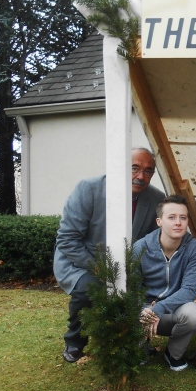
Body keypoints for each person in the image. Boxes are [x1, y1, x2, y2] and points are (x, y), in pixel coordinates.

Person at [54, 147, 164, 363]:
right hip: (82, 261)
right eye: (135, 168)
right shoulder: (89, 189)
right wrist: (101, 270)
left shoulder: (156, 198)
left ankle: (136, 342)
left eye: (148, 171)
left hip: (128, 264)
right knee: (88, 290)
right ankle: (75, 341)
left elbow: (153, 242)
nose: (141, 176)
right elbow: (67, 240)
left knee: (143, 289)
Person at [135, 195, 196, 372]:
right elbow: (132, 287)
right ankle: (141, 349)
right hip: (143, 310)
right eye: (172, 217)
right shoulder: (140, 247)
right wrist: (144, 309)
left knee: (195, 314)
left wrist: (158, 309)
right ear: (159, 221)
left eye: (183, 217)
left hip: (173, 311)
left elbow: (189, 290)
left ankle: (174, 354)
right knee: (127, 310)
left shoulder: (194, 248)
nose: (178, 223)